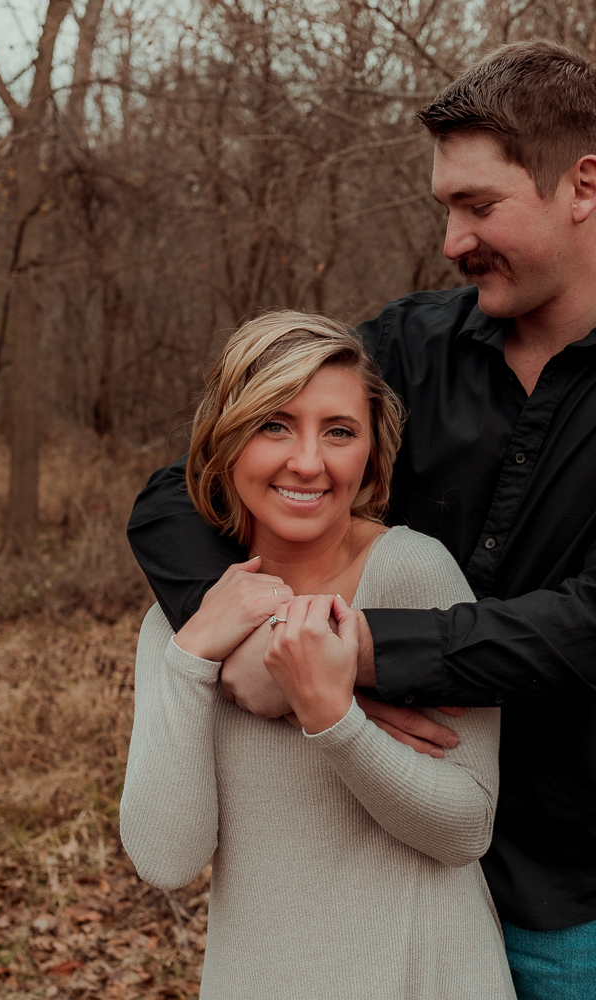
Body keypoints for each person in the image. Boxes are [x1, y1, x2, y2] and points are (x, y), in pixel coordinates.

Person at [128, 41, 596, 1000]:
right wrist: (268, 642)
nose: (451, 240)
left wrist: (348, 654)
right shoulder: (407, 346)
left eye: (478, 206)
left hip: (575, 884)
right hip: (382, 872)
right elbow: (177, 495)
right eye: (445, 209)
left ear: (583, 186)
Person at [119, 312, 514, 1000]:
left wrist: (333, 715)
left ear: (372, 456)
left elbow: (465, 830)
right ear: (224, 438)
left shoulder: (413, 576)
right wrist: (190, 659)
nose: (308, 461)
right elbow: (167, 857)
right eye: (274, 424)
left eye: (339, 431)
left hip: (424, 979)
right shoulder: (177, 623)